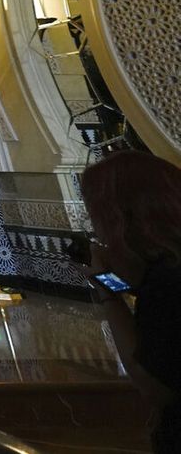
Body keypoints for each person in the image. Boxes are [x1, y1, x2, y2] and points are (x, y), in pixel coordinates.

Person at [81, 150, 181, 452]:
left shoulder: (167, 283)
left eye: (96, 217)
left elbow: (154, 384)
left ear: (121, 218)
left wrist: (106, 291)